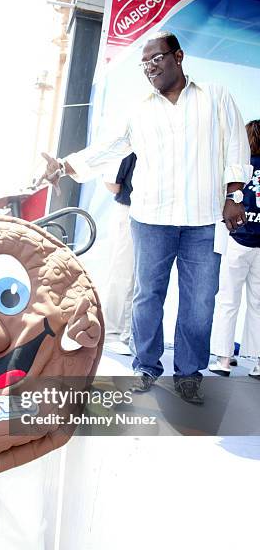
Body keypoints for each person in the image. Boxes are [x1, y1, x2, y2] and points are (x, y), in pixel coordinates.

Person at [41, 30, 252, 404]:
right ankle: (146, 367)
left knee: (200, 301)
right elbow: (111, 147)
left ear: (179, 56)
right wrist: (64, 164)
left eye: (156, 59)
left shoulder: (216, 96)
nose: (149, 68)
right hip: (151, 218)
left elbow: (236, 145)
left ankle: (189, 374)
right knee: (147, 297)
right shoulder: (139, 108)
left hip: (204, 220)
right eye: (144, 63)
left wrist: (234, 195)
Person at [209, 120, 260, 379]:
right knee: (259, 305)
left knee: (228, 301)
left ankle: (223, 360)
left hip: (237, 240)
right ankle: (259, 362)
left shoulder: (239, 171)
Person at [102, 153, 136, 355]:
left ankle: (126, 333)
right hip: (128, 209)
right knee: (122, 274)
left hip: (148, 215)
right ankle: (111, 333)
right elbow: (110, 181)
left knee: (136, 278)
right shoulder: (129, 146)